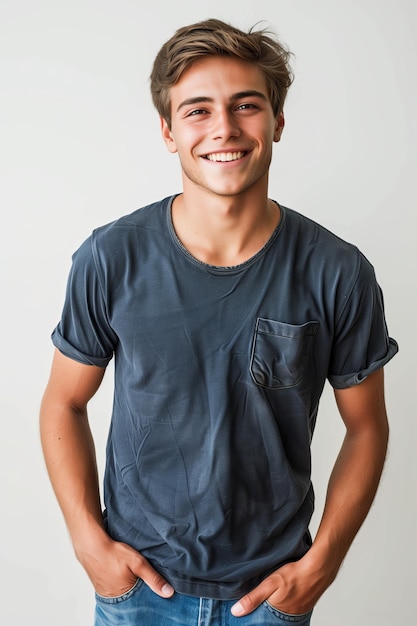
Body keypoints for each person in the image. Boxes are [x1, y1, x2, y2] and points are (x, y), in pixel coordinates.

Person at [40, 18, 398, 626]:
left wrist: (321, 565)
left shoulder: (338, 272)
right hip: (138, 593)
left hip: (269, 596)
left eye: (246, 106)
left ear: (278, 122)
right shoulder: (111, 258)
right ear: (169, 131)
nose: (224, 129)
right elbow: (62, 404)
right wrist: (88, 543)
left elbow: (366, 427)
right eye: (198, 111)